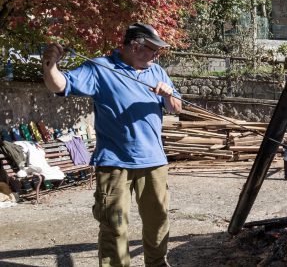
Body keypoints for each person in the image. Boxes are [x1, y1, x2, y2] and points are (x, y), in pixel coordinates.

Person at [42, 23, 182, 267]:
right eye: (152, 50)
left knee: (158, 222)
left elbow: (176, 108)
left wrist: (168, 95)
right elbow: (60, 85)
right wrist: (50, 65)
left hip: (154, 162)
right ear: (135, 47)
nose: (156, 55)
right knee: (114, 225)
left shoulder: (157, 71)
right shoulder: (100, 68)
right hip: (114, 162)